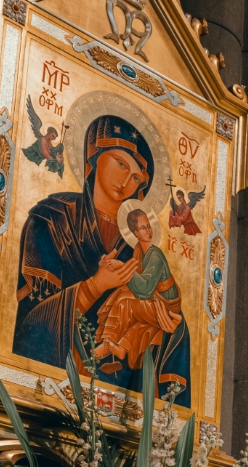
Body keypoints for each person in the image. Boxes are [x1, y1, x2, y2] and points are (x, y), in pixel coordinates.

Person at [12, 113, 191, 405]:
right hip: (51, 396)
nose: (125, 180)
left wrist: (167, 320)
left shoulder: (139, 247)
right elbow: (28, 327)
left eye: (136, 176)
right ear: (93, 157)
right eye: (120, 163)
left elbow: (166, 312)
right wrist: (94, 286)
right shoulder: (53, 220)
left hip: (122, 402)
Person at [93, 209, 184, 380]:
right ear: (135, 233)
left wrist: (121, 265)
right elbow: (135, 283)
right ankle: (120, 347)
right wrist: (109, 264)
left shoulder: (155, 255)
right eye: (143, 228)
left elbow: (144, 289)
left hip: (165, 307)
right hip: (154, 302)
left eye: (149, 227)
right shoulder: (138, 251)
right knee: (124, 296)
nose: (149, 231)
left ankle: (107, 344)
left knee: (124, 301)